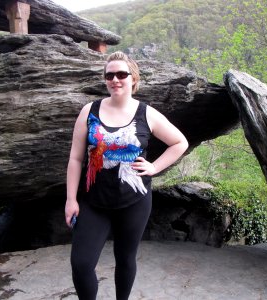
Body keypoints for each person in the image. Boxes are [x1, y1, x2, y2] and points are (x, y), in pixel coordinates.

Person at [65, 51, 188, 300]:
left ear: (134, 79)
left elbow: (179, 142)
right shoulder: (89, 111)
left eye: (122, 74)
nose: (115, 79)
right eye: (109, 75)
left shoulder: (146, 114)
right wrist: (71, 199)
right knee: (81, 264)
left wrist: (154, 167)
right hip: (93, 201)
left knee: (125, 259)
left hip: (134, 201)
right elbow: (76, 159)